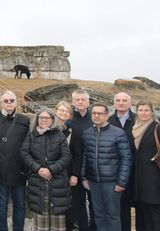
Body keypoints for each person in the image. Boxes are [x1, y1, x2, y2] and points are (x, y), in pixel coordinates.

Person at [81, 103, 132, 231]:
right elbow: (85, 156)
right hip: (93, 182)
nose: (96, 116)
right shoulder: (87, 133)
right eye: (94, 113)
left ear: (107, 115)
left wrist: (121, 182)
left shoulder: (118, 133)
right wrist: (83, 177)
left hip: (112, 183)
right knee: (98, 215)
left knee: (113, 215)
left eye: (100, 113)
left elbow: (126, 159)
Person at [0, 90, 30, 231]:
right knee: (1, 205)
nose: (9, 103)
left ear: (16, 102)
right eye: (6, 101)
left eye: (12, 100)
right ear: (0, 102)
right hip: (0, 171)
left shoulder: (25, 120)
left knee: (20, 206)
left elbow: (29, 145)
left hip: (19, 171)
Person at [20, 108, 72, 231]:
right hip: (37, 181)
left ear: (52, 120)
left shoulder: (59, 135)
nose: (44, 120)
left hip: (57, 181)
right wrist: (38, 169)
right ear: (37, 119)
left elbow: (66, 156)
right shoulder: (31, 135)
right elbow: (24, 153)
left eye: (47, 117)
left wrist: (51, 170)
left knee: (57, 222)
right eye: (41, 117)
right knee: (40, 220)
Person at [107, 92, 137, 231]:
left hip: (137, 169)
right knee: (116, 206)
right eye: (118, 100)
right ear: (114, 103)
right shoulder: (108, 120)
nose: (121, 103)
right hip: (114, 170)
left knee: (136, 206)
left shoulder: (138, 119)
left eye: (124, 100)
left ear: (130, 103)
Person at [67, 89, 96, 231]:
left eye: (83, 99)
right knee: (77, 203)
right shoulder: (68, 120)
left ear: (88, 102)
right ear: (72, 102)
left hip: (92, 168)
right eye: (77, 99)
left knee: (95, 203)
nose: (80, 102)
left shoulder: (94, 118)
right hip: (73, 169)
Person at [130, 101, 160, 230]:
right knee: (141, 214)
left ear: (152, 112)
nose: (143, 113)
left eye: (146, 110)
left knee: (154, 213)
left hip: (154, 178)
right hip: (138, 179)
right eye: (140, 110)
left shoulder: (157, 127)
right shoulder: (134, 128)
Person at [54, 100, 74, 231]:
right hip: (51, 169)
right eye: (61, 110)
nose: (64, 113)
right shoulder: (48, 127)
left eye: (67, 111)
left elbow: (76, 152)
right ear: (55, 111)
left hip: (66, 170)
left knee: (66, 203)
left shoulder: (71, 130)